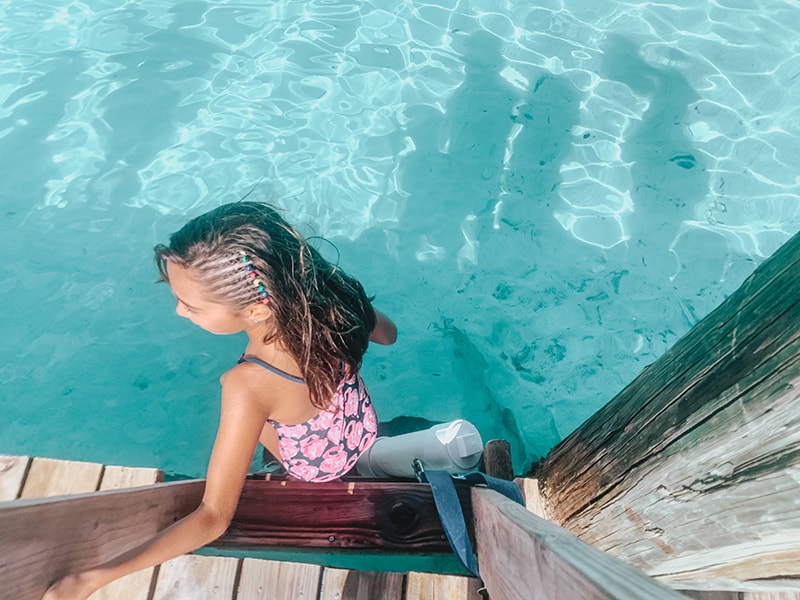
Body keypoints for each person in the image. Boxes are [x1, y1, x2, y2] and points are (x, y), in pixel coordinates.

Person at [43, 201, 397, 600]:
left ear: (257, 309)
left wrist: (92, 579)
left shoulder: (247, 385)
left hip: (317, 469)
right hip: (360, 425)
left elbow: (212, 517)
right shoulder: (334, 299)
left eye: (191, 306)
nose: (179, 311)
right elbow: (388, 333)